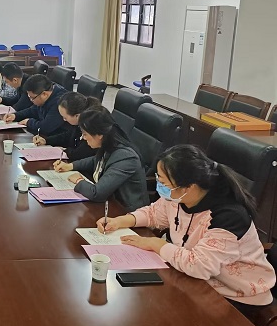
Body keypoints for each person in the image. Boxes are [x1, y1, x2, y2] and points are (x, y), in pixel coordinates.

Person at [99, 145, 275, 313]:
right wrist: (121, 221)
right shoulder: (179, 197)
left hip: (237, 296)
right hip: (196, 281)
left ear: (189, 187)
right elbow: (154, 213)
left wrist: (156, 244)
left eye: (164, 183)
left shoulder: (228, 216)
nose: (160, 187)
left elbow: (199, 266)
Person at [53, 108, 148, 211]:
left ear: (99, 135)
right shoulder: (109, 145)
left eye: (85, 134)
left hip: (125, 212)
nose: (83, 138)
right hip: (109, 204)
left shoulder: (126, 158)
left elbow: (97, 193)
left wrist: (79, 180)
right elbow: (95, 160)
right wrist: (70, 166)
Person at [34, 91, 101, 161]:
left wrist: (64, 150)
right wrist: (46, 140)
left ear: (77, 116)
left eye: (65, 117)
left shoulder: (91, 129)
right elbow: (67, 136)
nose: (64, 120)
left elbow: (78, 154)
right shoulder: (78, 124)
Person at [3, 74, 70, 137]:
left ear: (44, 94)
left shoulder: (60, 102)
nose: (31, 100)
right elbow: (33, 110)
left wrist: (29, 122)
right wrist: (15, 116)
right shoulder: (45, 93)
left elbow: (46, 127)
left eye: (32, 98)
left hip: (58, 139)